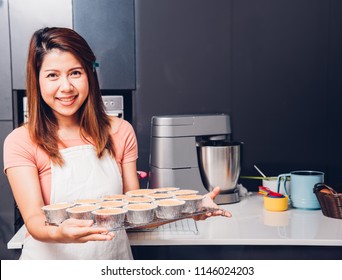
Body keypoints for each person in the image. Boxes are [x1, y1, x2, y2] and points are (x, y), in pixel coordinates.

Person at [3, 27, 230, 260]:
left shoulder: (120, 132)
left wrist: (190, 209)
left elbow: (138, 217)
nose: (66, 87)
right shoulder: (21, 142)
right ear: (37, 79)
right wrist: (60, 232)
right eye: (52, 75)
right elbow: (34, 221)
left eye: (75, 73)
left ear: (90, 74)